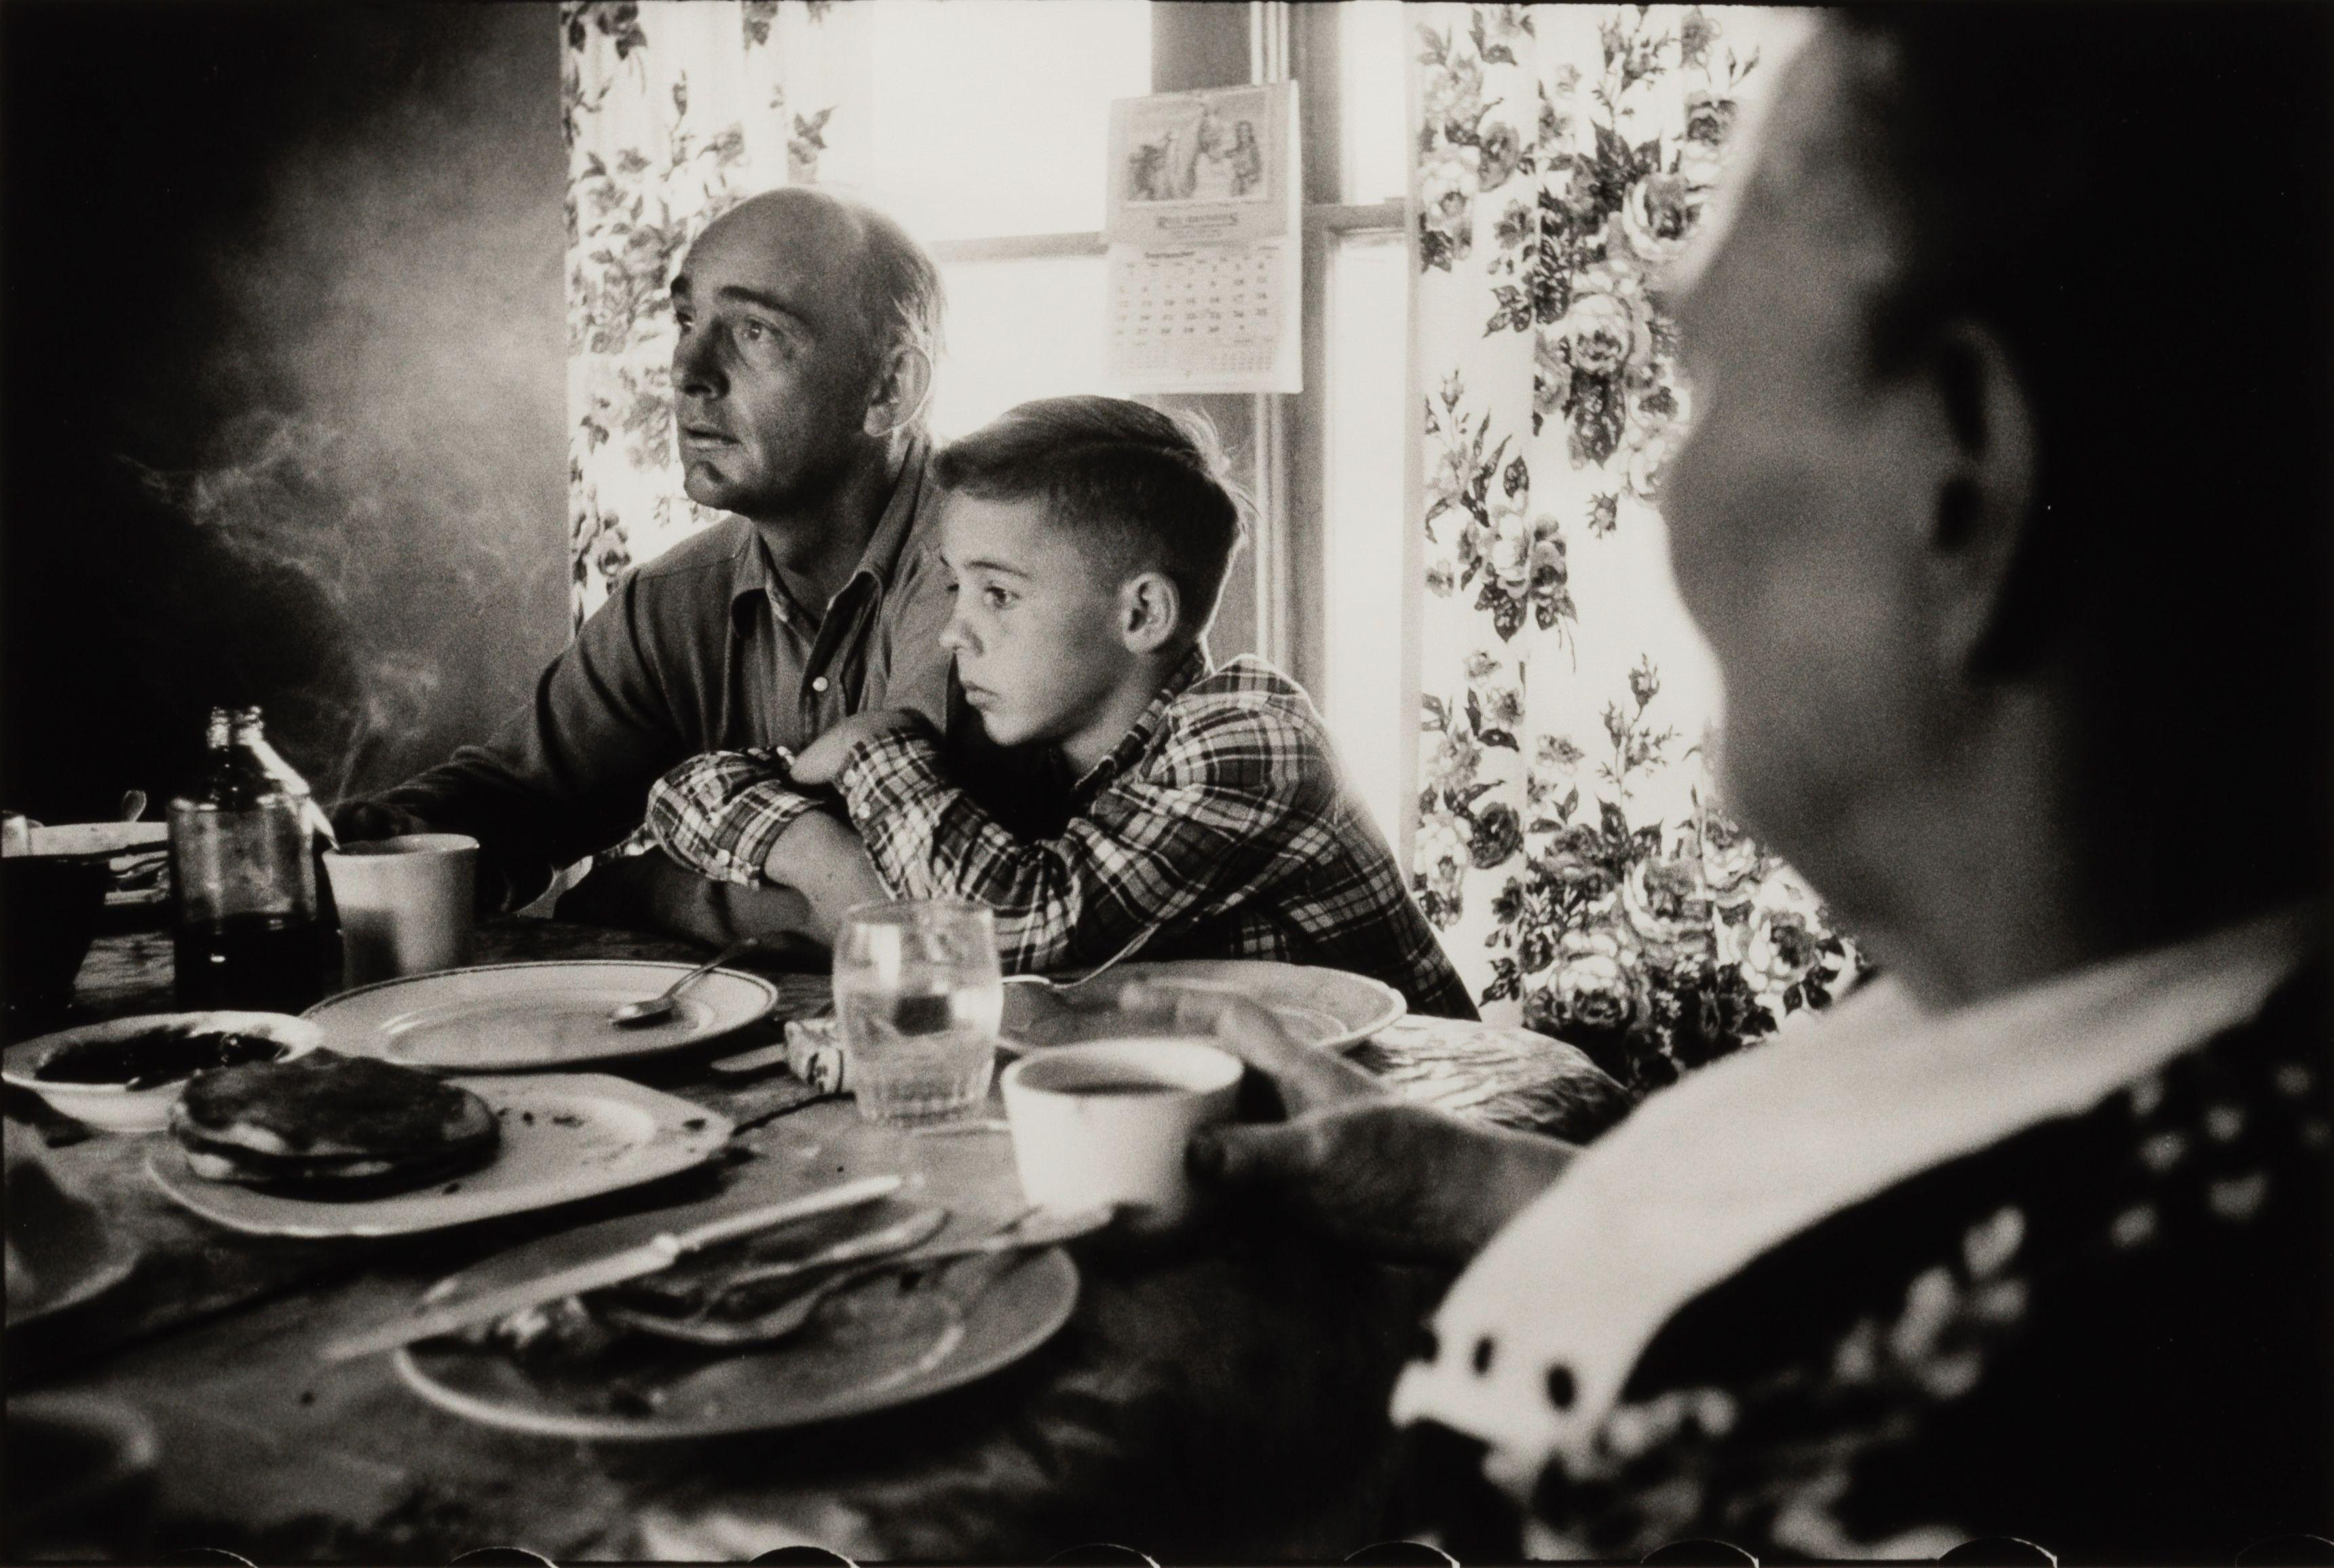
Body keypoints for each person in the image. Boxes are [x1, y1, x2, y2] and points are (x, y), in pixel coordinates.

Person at [1148, 6, 2334, 1561]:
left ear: (1963, 474)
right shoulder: (2177, 1025)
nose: (1668, 501)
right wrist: (1480, 1189)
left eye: (1699, 383)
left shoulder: (1739, 1442)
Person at [331, 188, 1059, 949]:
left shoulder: (990, 580)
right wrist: (367, 839)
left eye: (754, 330)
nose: (686, 370)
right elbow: (521, 800)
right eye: (685, 321)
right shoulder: (674, 600)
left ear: (888, 389)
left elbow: (905, 912)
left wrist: (639, 893)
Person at [645, 396, 1477, 1018]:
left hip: (1427, 1132)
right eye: (955, 585)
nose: (952, 635)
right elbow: (685, 794)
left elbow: (1016, 935)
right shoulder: (1027, 734)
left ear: (1141, 615)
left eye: (999, 594)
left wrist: (871, 752)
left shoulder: (1251, 735)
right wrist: (816, 852)